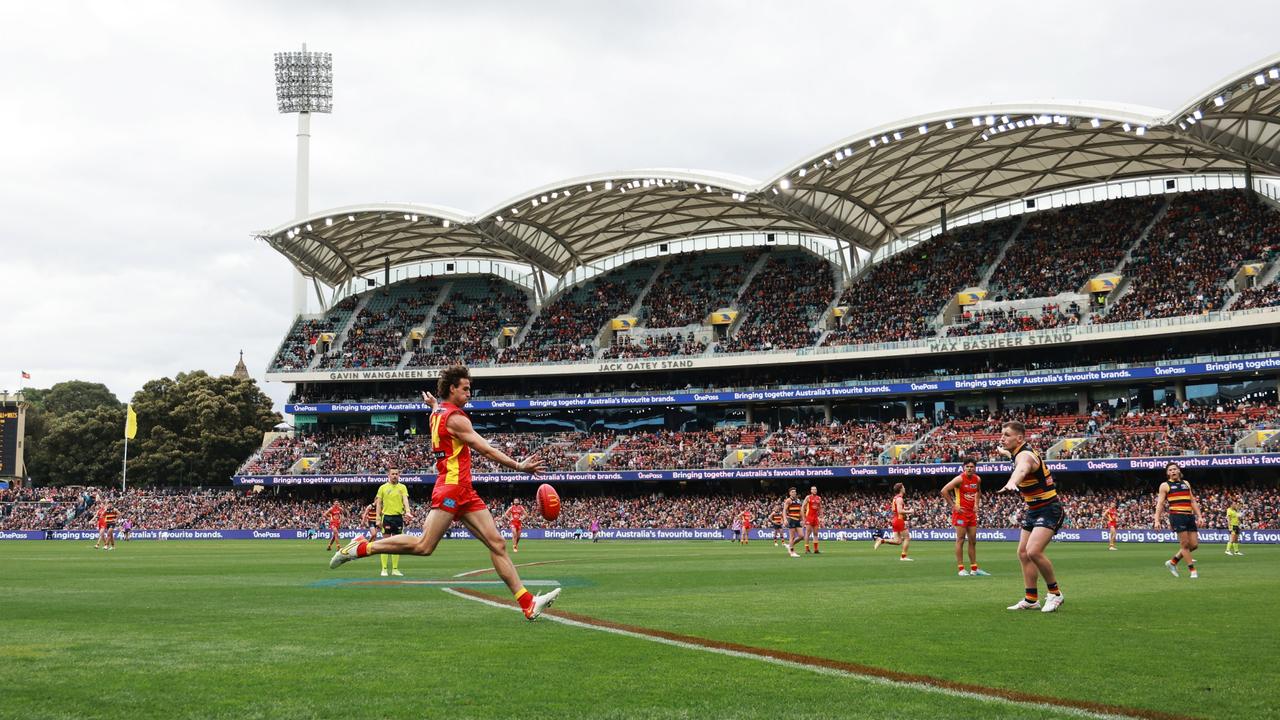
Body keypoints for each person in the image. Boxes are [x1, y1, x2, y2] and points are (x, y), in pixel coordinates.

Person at [331, 365, 559, 621]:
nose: (469, 394)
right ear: (452, 389)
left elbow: (437, 411)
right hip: (451, 487)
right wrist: (519, 466)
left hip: (465, 490)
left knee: (497, 544)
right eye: (465, 389)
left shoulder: (437, 413)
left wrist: (432, 404)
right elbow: (484, 448)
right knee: (424, 545)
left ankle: (527, 603)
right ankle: (363, 547)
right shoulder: (457, 419)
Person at [997, 420, 1064, 612]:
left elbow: (1022, 468)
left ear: (1019, 438)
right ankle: (1031, 598)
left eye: (1007, 435)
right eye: (1002, 434)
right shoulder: (1016, 451)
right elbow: (1010, 454)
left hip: (1049, 508)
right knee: (1023, 553)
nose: (1002, 438)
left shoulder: (1025, 455)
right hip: (1033, 510)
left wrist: (1012, 482)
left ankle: (1055, 593)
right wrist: (1002, 451)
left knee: (1034, 551)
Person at [940, 458, 989, 576]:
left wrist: (977, 504)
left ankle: (974, 569)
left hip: (971, 513)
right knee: (960, 539)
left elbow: (978, 491)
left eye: (972, 466)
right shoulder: (960, 479)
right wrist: (953, 506)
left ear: (975, 468)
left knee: (973, 541)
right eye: (967, 466)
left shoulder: (977, 479)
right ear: (963, 467)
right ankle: (961, 569)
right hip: (961, 513)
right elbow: (944, 490)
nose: (969, 468)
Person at [1156, 462, 1204, 579]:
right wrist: (1157, 519)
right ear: (1167, 473)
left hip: (1189, 516)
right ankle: (1192, 571)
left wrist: (1200, 516)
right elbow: (1160, 503)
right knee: (1185, 545)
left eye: (1174, 469)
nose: (1172, 471)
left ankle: (1173, 562)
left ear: (1178, 471)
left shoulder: (1186, 483)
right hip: (1177, 516)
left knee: (1194, 545)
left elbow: (1192, 501)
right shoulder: (1165, 485)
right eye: (1170, 470)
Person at [374, 469, 410, 577]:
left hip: (398, 517)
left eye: (396, 474)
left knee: (397, 544)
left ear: (399, 475)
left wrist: (408, 511)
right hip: (387, 517)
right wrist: (378, 518)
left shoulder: (402, 487)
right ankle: (384, 569)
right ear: (388, 475)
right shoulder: (383, 488)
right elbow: (379, 504)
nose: (395, 476)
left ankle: (395, 569)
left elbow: (405, 500)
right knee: (385, 543)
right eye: (392, 474)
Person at [873, 483, 912, 561]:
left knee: (897, 541)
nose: (904, 488)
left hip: (895, 519)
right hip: (899, 520)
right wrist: (909, 511)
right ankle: (903, 557)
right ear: (900, 489)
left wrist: (905, 507)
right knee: (907, 538)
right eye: (903, 487)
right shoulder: (900, 499)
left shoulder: (895, 498)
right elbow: (900, 510)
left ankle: (881, 540)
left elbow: (895, 509)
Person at [783, 487, 803, 558]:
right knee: (792, 536)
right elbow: (784, 510)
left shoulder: (798, 500)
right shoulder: (788, 500)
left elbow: (800, 511)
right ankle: (792, 552)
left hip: (797, 520)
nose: (794, 493)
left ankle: (790, 546)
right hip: (791, 519)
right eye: (792, 492)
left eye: (795, 491)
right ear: (789, 493)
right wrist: (785, 519)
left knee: (801, 536)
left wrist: (802, 519)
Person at [802, 485, 821, 554]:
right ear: (811, 491)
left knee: (816, 533)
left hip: (815, 517)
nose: (814, 490)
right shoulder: (808, 497)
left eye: (815, 489)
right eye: (813, 489)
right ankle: (807, 549)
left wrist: (821, 516)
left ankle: (816, 549)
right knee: (808, 533)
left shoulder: (819, 498)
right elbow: (803, 507)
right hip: (809, 517)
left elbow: (820, 507)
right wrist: (804, 517)